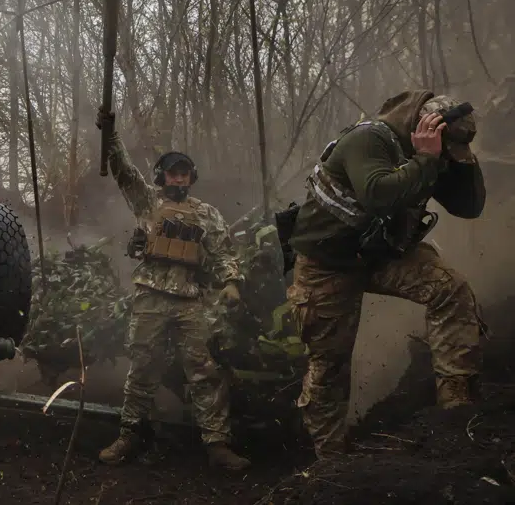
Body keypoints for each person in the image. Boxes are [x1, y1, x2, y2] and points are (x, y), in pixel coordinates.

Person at [286, 91, 486, 460]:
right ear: (421, 127)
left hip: (382, 254)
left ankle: (457, 404)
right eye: (444, 146)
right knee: (329, 366)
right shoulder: (369, 140)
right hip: (327, 265)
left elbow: (470, 207)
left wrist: (461, 160)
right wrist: (427, 157)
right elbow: (379, 193)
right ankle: (331, 463)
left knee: (450, 288)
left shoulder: (432, 152)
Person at [94, 109, 251, 472]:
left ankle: (217, 444)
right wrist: (112, 135)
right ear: (161, 176)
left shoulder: (207, 214)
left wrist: (231, 282)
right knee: (143, 366)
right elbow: (123, 172)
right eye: (172, 172)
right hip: (150, 295)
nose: (178, 178)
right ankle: (130, 434)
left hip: (189, 300)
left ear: (191, 177)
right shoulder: (147, 202)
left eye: (184, 172)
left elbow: (225, 250)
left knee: (204, 370)